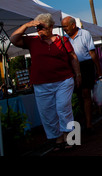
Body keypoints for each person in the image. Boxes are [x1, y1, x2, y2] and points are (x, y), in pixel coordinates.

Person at [10, 13, 81, 151]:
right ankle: (58, 139)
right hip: (41, 83)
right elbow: (13, 39)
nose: (39, 30)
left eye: (42, 27)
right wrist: (25, 26)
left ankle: (70, 137)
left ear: (51, 27)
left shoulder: (62, 40)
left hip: (63, 80)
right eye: (37, 27)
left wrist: (77, 74)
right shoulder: (33, 41)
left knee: (63, 107)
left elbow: (73, 57)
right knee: (47, 112)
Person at [61, 16, 102, 133]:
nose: (64, 29)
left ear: (73, 25)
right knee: (79, 96)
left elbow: (92, 52)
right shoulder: (64, 39)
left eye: (65, 26)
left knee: (85, 93)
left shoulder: (85, 34)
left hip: (86, 65)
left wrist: (98, 68)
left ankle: (89, 124)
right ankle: (84, 120)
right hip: (73, 68)